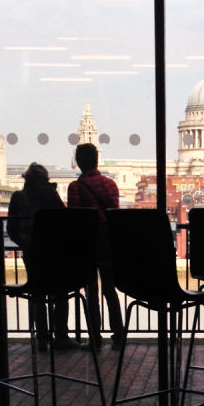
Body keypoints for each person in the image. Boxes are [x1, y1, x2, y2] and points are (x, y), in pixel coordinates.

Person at [7, 162, 79, 351]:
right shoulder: (51, 195)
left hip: (31, 254)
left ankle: (41, 339)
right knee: (61, 292)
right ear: (45, 179)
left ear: (26, 179)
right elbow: (64, 223)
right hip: (54, 254)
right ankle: (61, 336)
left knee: (37, 293)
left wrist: (25, 244)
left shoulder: (18, 198)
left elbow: (11, 229)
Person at [67, 143, 125, 349]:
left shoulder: (75, 187)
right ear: (97, 160)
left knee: (91, 293)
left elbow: (75, 218)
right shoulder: (111, 184)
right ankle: (119, 335)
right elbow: (114, 214)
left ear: (79, 162)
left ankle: (95, 338)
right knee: (110, 290)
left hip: (88, 242)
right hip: (108, 242)